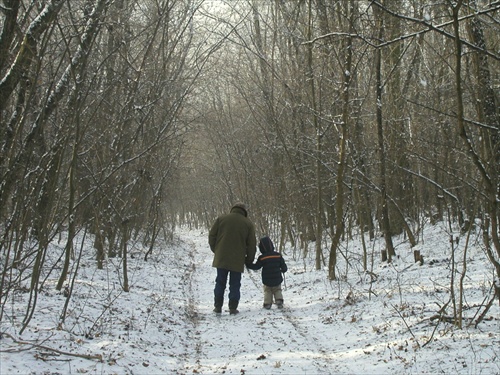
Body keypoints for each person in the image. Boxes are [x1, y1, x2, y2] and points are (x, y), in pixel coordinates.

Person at [208, 203, 256, 314]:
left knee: (220, 282)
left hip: (221, 257)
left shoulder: (221, 219)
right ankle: (233, 307)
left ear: (233, 209)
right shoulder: (248, 223)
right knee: (235, 284)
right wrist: (249, 259)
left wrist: (216, 249)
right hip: (237, 259)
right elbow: (251, 244)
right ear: (244, 212)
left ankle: (218, 306)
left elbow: (212, 236)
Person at [247, 236, 287, 309]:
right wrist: (284, 269)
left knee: (267, 290)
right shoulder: (278, 255)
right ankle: (279, 300)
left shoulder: (262, 258)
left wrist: (249, 264)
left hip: (267, 279)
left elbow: (257, 266)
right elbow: (283, 265)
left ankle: (267, 303)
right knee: (277, 289)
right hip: (277, 277)